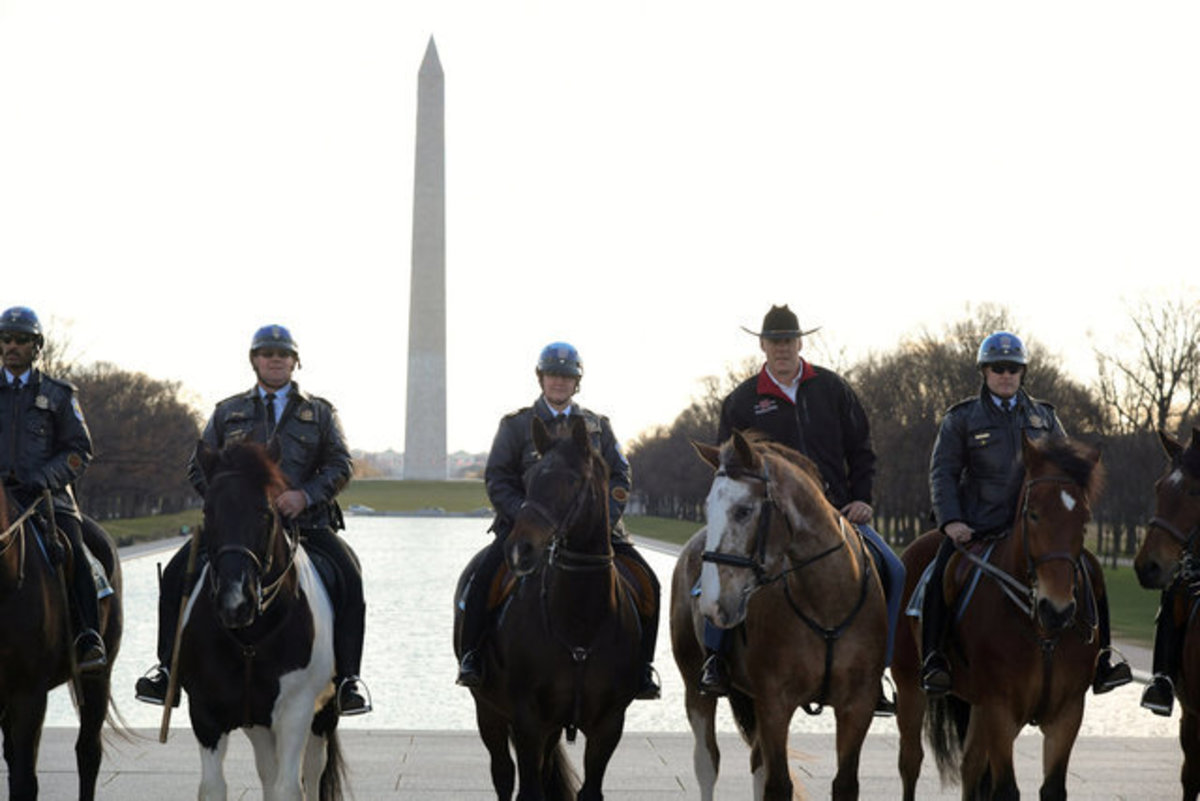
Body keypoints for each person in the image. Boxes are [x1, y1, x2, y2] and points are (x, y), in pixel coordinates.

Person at [135, 325, 371, 715]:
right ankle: (167, 670)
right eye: (267, 353)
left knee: (349, 576)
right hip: (240, 530)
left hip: (306, 524)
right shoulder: (228, 411)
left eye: (283, 353)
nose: (275, 359)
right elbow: (200, 466)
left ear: (295, 361)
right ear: (255, 360)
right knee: (178, 573)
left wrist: (305, 495)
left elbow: (341, 464)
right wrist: (231, 504)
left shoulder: (321, 413)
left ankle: (348, 679)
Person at [698, 304, 905, 716]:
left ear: (800, 343)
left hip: (838, 516)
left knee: (894, 570)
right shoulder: (741, 401)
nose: (782, 348)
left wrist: (862, 498)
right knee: (714, 572)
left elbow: (861, 451)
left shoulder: (832, 388)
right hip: (769, 521)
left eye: (788, 341)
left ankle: (876, 672)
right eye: (774, 341)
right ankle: (716, 658)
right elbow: (729, 467)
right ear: (762, 345)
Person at [922, 331, 1132, 696]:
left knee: (1090, 571)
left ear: (1023, 373)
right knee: (937, 575)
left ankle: (1102, 662)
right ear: (985, 372)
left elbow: (1068, 472)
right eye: (998, 368)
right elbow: (942, 473)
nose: (1006, 375)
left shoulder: (1044, 417)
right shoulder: (962, 418)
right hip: (977, 527)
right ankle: (934, 658)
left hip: (1037, 531)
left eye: (1014, 369)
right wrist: (951, 520)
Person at [456, 341, 662, 700]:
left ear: (576, 382)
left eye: (566, 377)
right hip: (529, 530)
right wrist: (523, 513)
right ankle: (473, 656)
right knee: (482, 578)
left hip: (594, 535)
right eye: (553, 375)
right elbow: (498, 477)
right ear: (541, 378)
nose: (559, 383)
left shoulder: (598, 427)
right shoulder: (517, 425)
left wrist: (605, 519)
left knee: (650, 584)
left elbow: (619, 478)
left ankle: (641, 669)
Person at [0, 306, 106, 671]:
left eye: (22, 340)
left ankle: (88, 634)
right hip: (0, 499)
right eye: (7, 339)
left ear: (37, 346)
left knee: (75, 549)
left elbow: (79, 451)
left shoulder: (59, 395)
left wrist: (42, 479)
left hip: (47, 499)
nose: (12, 346)